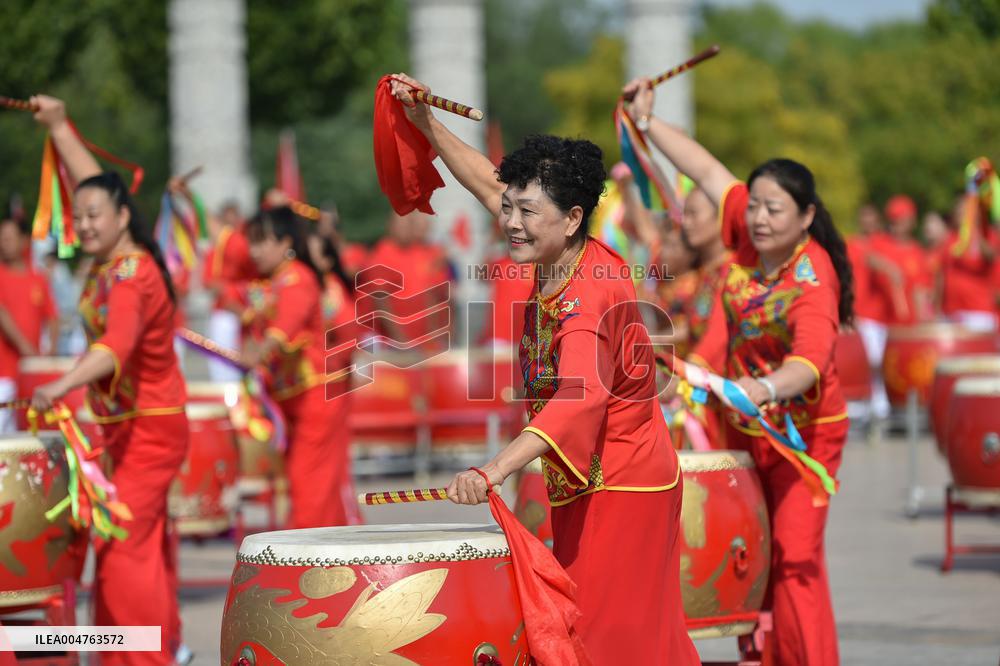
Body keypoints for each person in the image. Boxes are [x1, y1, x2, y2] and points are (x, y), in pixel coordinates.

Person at [388, 73, 700, 665]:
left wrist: (494, 468)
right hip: (590, 478)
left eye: (526, 212)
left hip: (625, 486)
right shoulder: (555, 246)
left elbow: (578, 399)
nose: (510, 221)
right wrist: (426, 122)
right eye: (509, 208)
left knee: (603, 640)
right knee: (611, 634)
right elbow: (487, 181)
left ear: (572, 218)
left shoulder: (589, 293)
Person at [625, 77, 852, 665]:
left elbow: (809, 364)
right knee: (753, 552)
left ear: (806, 217)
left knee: (795, 557)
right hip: (741, 424)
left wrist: (764, 387)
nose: (758, 218)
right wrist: (646, 122)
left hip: (803, 437)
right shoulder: (748, 246)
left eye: (774, 209)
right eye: (753, 206)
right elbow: (703, 168)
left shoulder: (812, 280)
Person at [28, 94, 189, 666]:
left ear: (124, 216)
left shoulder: (130, 275)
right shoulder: (113, 262)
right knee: (139, 545)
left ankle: (140, 657)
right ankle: (158, 648)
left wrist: (60, 383)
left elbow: (115, 347)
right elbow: (93, 184)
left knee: (120, 545)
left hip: (150, 431)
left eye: (96, 214)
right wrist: (58, 126)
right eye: (81, 216)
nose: (86, 222)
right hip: (125, 429)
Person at [230, 205, 352, 528]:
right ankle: (329, 551)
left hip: (315, 396)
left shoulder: (297, 278)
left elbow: (286, 325)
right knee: (315, 486)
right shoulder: (270, 282)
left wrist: (260, 352)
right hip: (291, 399)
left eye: (262, 242)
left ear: (285, 242)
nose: (254, 251)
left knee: (307, 484)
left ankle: (303, 556)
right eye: (252, 242)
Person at [0, 218, 59, 433]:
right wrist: (26, 348)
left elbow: (52, 317)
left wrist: (50, 350)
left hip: (30, 373)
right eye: (1, 238)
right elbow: (2, 314)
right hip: (4, 372)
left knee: (27, 433)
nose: (4, 243)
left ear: (23, 240)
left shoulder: (38, 278)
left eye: (9, 238)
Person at [201, 199, 256, 382]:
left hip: (248, 313)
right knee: (223, 370)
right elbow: (209, 282)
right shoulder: (216, 250)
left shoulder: (243, 242)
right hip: (226, 312)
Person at [868, 195, 933, 325]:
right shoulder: (879, 242)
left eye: (901, 220)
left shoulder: (917, 252)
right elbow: (869, 258)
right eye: (893, 221)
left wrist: (922, 316)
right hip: (879, 321)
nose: (897, 225)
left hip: (907, 321)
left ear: (912, 221)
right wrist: (889, 268)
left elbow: (921, 289)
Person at [937, 196, 998, 332]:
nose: (961, 215)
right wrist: (937, 309)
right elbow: (941, 275)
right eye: (958, 211)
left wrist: (974, 232)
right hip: (951, 312)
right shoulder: (950, 239)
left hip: (978, 312)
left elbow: (991, 256)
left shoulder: (986, 235)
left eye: (965, 211)